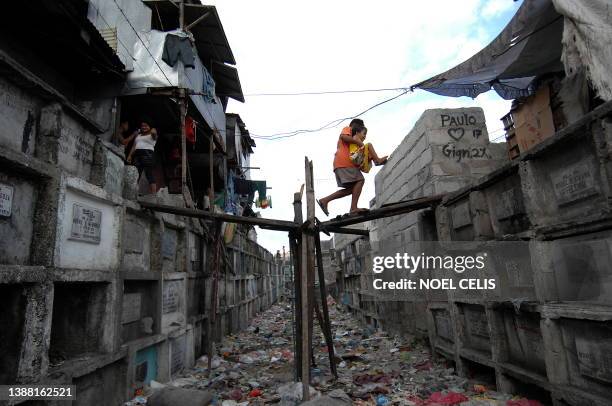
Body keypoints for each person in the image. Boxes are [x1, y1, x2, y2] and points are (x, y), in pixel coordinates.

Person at [317, 119, 387, 215]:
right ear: (355, 126)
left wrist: (370, 157)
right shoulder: (348, 129)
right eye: (360, 128)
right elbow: (343, 137)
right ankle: (353, 208)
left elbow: (362, 156)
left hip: (340, 165)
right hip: (344, 163)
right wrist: (361, 144)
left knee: (352, 189)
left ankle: (325, 200)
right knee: (360, 180)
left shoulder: (354, 142)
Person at [127, 119, 158, 194]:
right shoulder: (138, 136)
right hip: (137, 155)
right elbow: (134, 146)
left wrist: (153, 129)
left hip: (148, 154)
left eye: (146, 125)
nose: (144, 127)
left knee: (149, 174)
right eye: (142, 126)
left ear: (150, 126)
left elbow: (154, 133)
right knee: (136, 174)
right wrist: (130, 155)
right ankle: (133, 193)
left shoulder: (152, 135)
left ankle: (154, 195)